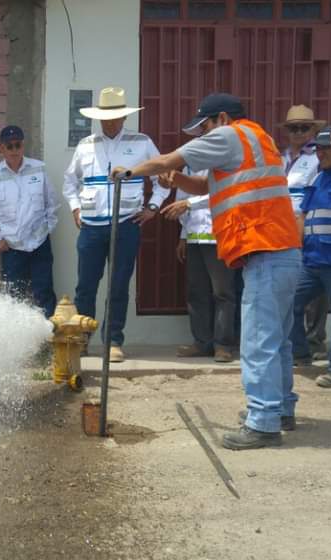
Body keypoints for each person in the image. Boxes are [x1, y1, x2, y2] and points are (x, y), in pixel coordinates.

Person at [110, 92, 302, 450]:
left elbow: (170, 158)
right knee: (278, 341)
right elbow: (206, 186)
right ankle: (281, 411)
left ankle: (263, 423)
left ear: (222, 119)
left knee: (259, 342)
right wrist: (176, 181)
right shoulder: (255, 140)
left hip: (265, 250)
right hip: (282, 251)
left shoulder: (230, 136)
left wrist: (131, 171)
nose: (202, 136)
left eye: (205, 127)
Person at [62, 87, 170, 362]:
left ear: (124, 118)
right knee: (85, 285)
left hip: (126, 225)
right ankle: (83, 340)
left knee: (119, 285)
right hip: (91, 227)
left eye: (115, 117)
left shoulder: (142, 142)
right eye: (104, 117)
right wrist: (75, 208)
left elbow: (163, 178)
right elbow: (69, 181)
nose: (109, 122)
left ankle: (113, 342)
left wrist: (153, 207)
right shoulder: (86, 144)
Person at [0, 125, 58, 316]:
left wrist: (46, 231)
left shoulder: (39, 169)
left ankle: (49, 342)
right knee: (13, 298)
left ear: (23, 146)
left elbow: (52, 205)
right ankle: (18, 344)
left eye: (17, 145)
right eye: (9, 146)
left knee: (44, 293)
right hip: (11, 249)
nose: (14, 150)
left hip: (40, 245)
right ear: (1, 148)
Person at [160, 169, 236, 362]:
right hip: (195, 239)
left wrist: (189, 203)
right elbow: (181, 205)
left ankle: (223, 345)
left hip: (220, 238)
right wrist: (183, 237)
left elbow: (226, 194)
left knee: (223, 293)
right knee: (196, 293)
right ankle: (202, 343)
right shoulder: (188, 169)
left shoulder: (225, 163)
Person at [280, 105, 328, 363]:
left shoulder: (318, 160)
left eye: (304, 127)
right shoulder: (280, 158)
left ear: (313, 130)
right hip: (285, 232)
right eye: (293, 128)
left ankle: (315, 341)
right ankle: (299, 349)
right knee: (292, 295)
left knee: (318, 297)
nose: (298, 132)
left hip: (313, 234)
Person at [290, 126, 331, 389]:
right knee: (290, 302)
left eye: (326, 149)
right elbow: (302, 216)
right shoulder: (317, 179)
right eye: (318, 149)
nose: (320, 153)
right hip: (312, 260)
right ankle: (300, 354)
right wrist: (297, 246)